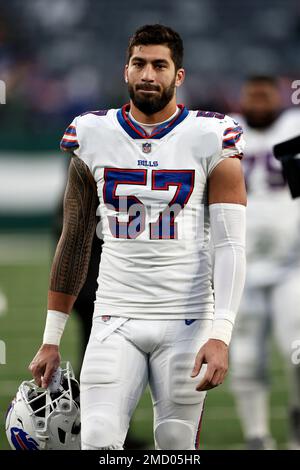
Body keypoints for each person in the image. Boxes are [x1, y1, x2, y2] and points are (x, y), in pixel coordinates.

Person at [29, 24, 246, 450]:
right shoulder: (93, 134)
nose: (148, 74)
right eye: (139, 64)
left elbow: (230, 245)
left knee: (175, 446)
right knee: (97, 441)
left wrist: (221, 333)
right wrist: (51, 338)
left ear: (178, 75)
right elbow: (74, 239)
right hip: (114, 316)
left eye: (159, 65)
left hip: (188, 320)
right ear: (125, 71)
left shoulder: (210, 136)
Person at [230, 76, 300, 450]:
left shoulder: (294, 127)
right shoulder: (225, 130)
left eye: (265, 95)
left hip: (292, 265)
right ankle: (257, 434)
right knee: (245, 358)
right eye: (251, 95)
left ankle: (297, 419)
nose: (258, 103)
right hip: (241, 268)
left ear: (277, 98)